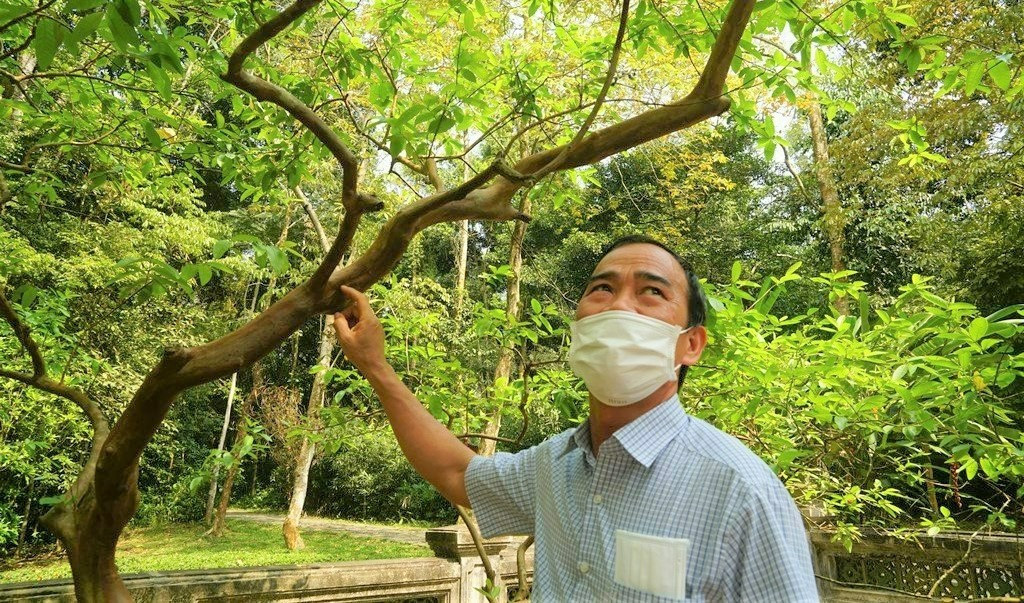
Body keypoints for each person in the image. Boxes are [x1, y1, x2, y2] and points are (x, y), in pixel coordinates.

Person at [333, 235, 819, 602]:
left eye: (651, 292)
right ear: (579, 328)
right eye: (601, 289)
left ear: (690, 344)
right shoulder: (556, 464)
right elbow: (458, 473)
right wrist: (375, 365)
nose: (619, 305)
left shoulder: (741, 490)